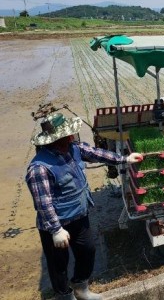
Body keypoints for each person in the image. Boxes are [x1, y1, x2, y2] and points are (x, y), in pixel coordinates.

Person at [26, 112, 143, 300]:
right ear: (54, 140)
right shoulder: (39, 168)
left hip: (79, 216)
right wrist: (56, 230)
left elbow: (97, 154)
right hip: (56, 224)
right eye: (68, 135)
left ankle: (81, 289)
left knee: (87, 251)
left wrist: (124, 159)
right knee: (59, 265)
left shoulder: (74, 148)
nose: (72, 137)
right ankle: (64, 296)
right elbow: (43, 203)